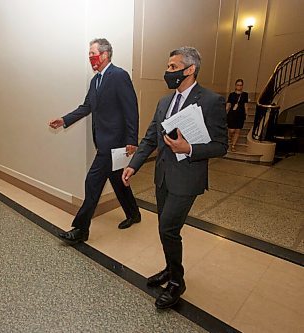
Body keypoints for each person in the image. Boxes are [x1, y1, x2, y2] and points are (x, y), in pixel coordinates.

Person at [122, 47, 228, 309]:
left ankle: (177, 282)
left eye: (173, 67)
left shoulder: (211, 101)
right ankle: (170, 269)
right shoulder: (163, 102)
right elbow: (149, 139)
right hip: (163, 177)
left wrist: (189, 149)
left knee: (168, 228)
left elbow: (221, 145)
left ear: (189, 70)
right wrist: (133, 166)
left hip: (187, 178)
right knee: (165, 229)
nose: (167, 72)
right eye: (168, 67)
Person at [49, 38, 141, 244]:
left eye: (93, 53)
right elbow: (86, 107)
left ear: (105, 54)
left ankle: (81, 230)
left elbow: (130, 108)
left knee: (92, 182)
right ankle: (134, 214)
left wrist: (132, 139)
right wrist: (64, 120)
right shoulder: (95, 81)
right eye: (89, 54)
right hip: (103, 141)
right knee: (118, 180)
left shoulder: (119, 75)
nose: (90, 57)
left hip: (115, 142)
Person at [226, 79, 249, 151]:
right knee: (231, 130)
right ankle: (230, 137)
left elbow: (246, 105)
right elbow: (228, 104)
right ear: (235, 85)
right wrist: (225, 112)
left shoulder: (245, 94)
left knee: (238, 130)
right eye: (238, 85)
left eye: (241, 85)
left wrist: (246, 113)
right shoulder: (231, 94)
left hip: (240, 114)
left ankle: (233, 145)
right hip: (232, 114)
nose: (239, 86)